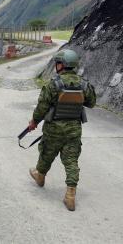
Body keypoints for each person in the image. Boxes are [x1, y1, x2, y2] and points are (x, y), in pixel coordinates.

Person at [27, 49, 96, 211]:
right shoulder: (83, 84)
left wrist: (34, 122)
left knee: (46, 153)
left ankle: (40, 176)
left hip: (53, 129)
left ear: (61, 65)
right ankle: (70, 195)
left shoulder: (54, 84)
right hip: (73, 130)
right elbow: (91, 103)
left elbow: (42, 107)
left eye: (57, 63)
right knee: (71, 161)